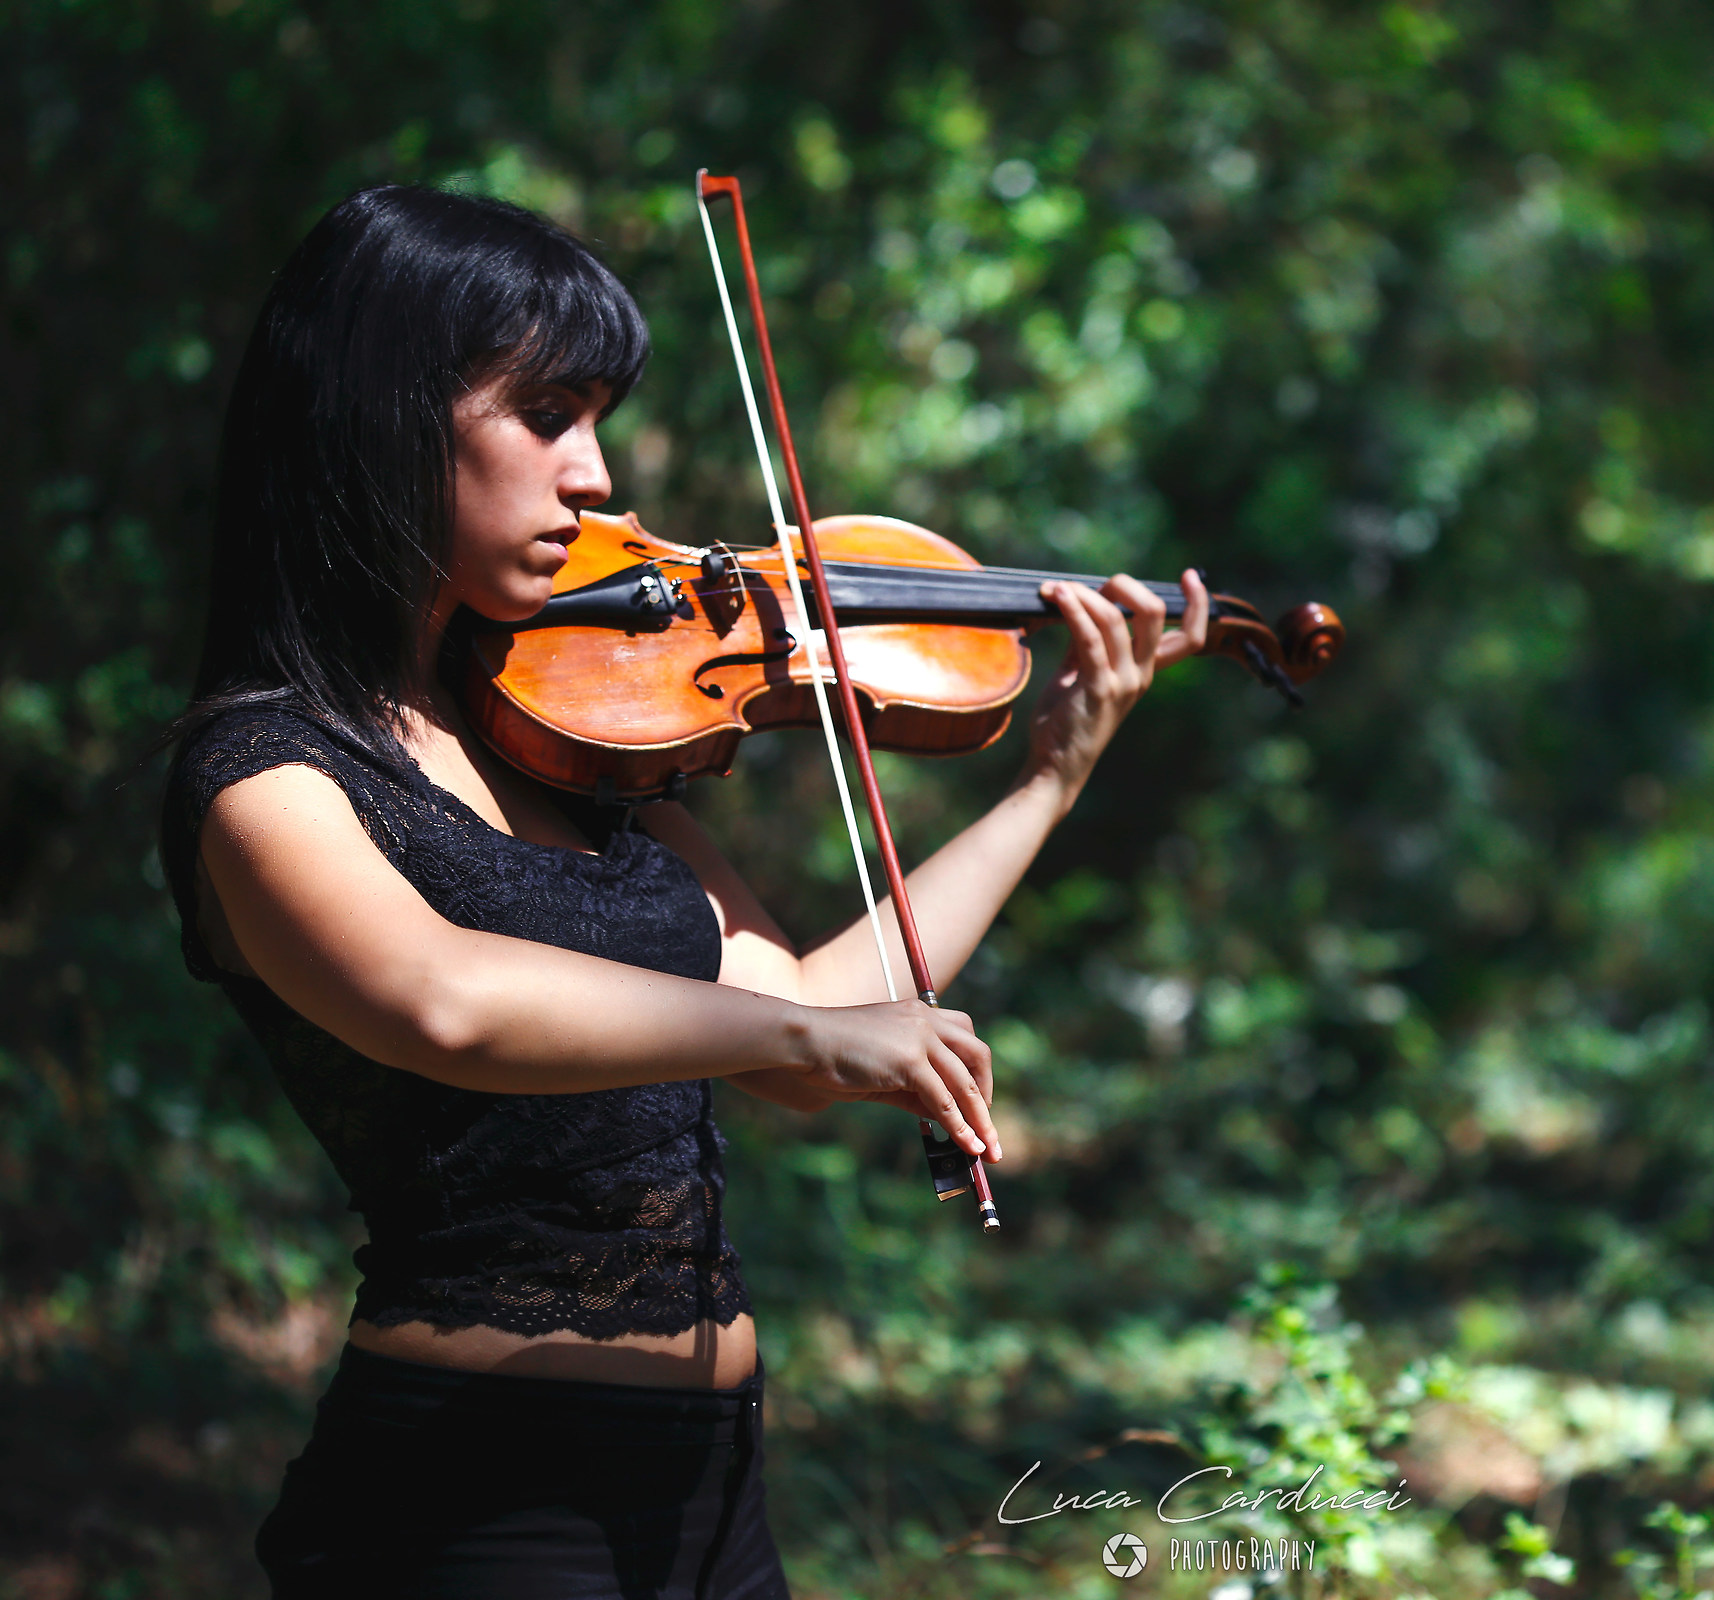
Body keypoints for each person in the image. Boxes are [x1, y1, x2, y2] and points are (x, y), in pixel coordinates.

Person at [158, 183, 1208, 1598]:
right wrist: (799, 1039)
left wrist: (1049, 782)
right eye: (547, 418)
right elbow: (445, 1001)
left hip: (711, 1498)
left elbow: (826, 1016)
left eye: (597, 420)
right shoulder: (265, 772)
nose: (593, 476)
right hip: (476, 1509)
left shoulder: (576, 752)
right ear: (383, 415)